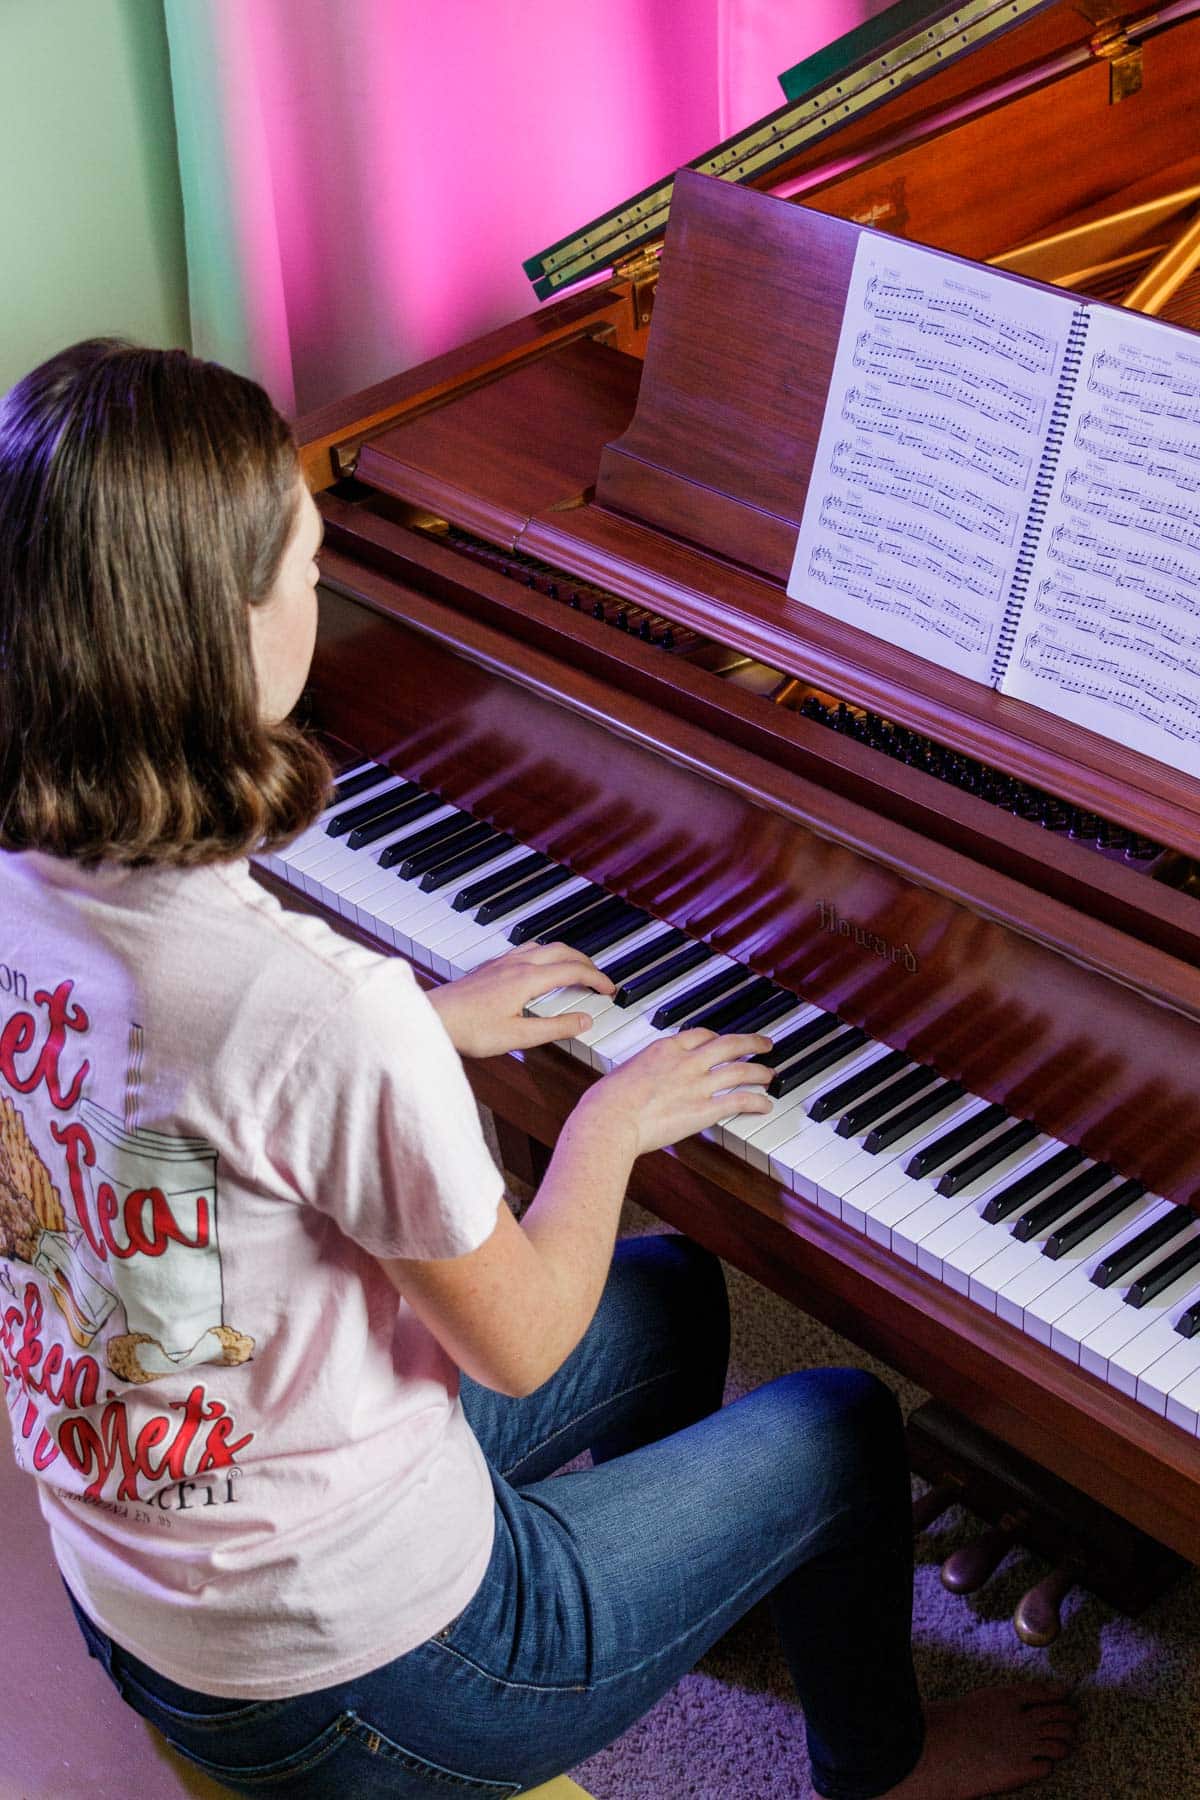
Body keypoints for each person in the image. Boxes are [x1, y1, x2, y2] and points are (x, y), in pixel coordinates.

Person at [0, 339, 1075, 1800]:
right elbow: (521, 1350)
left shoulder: (38, 884)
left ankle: (711, 1584)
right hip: (364, 1675)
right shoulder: (315, 1007)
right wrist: (613, 1123)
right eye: (311, 568)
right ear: (221, 628)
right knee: (837, 1423)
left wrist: (418, 1031)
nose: (320, 590)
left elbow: (158, 1107)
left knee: (685, 1296)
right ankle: (879, 1763)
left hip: (143, 1580)